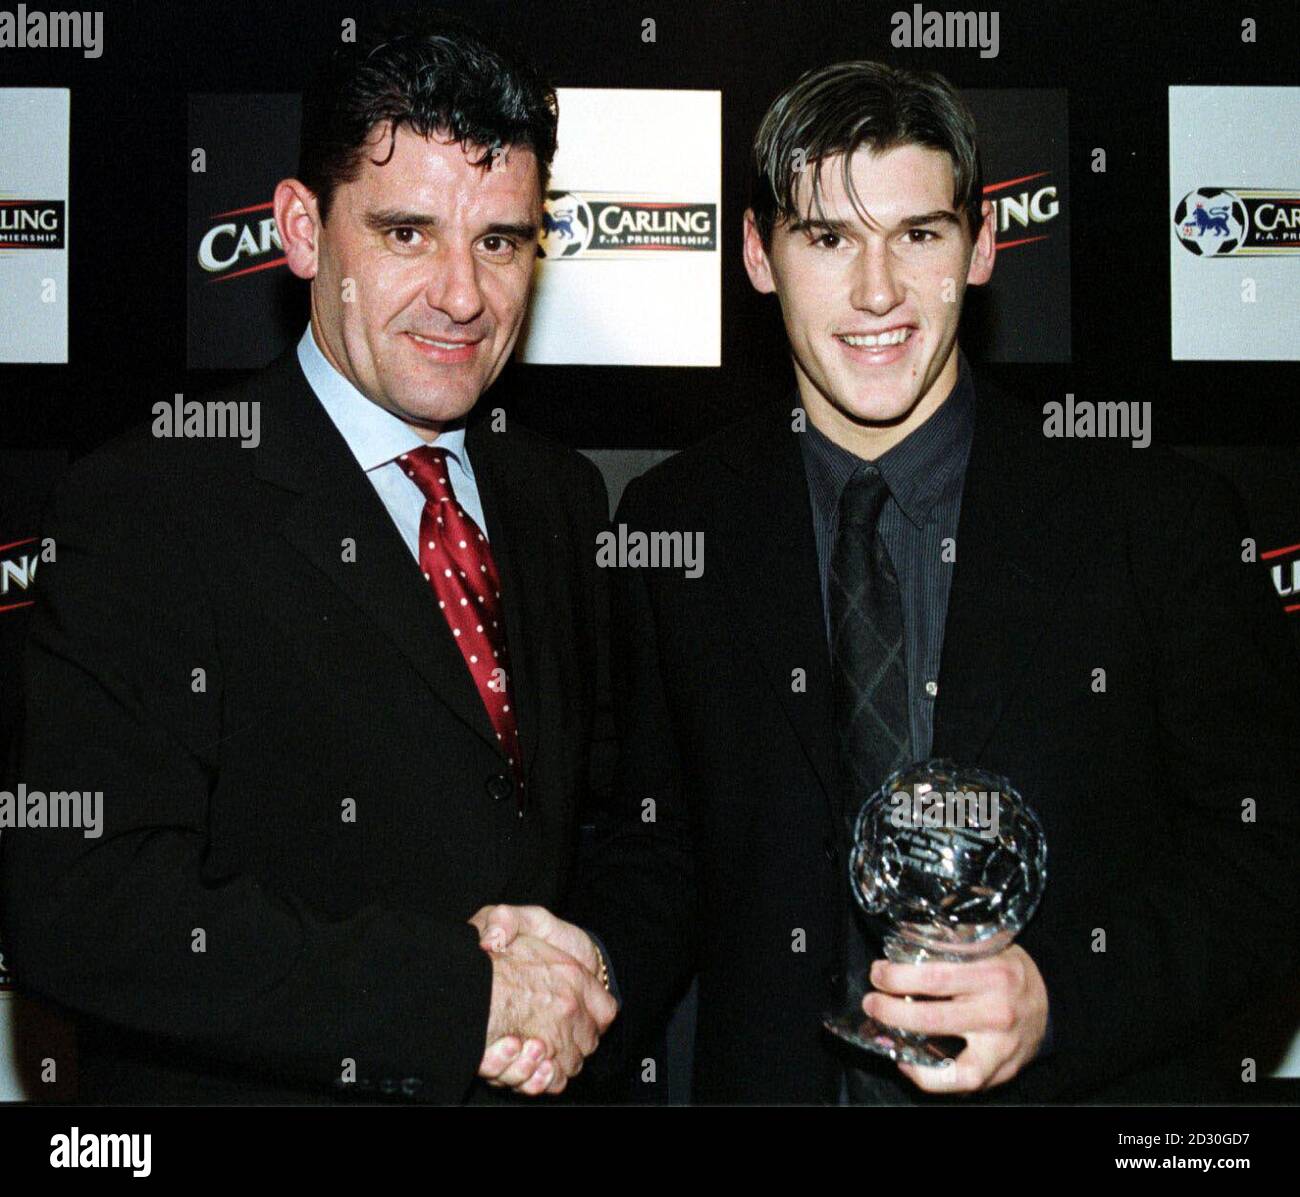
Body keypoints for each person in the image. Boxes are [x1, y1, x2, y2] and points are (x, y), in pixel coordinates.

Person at [480, 60, 1300, 1103]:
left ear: (982, 246)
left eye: (918, 235)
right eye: (827, 238)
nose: (877, 292)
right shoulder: (680, 526)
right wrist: (581, 977)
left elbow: (1268, 855)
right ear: (756, 254)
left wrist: (1060, 999)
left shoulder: (1153, 519)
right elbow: (664, 855)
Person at [0, 11, 615, 1104]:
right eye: (406, 233)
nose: (463, 296)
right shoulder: (151, 502)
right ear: (299, 230)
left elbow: (606, 836)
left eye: (500, 241)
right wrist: (456, 999)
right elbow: (82, 903)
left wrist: (579, 985)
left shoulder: (554, 494)